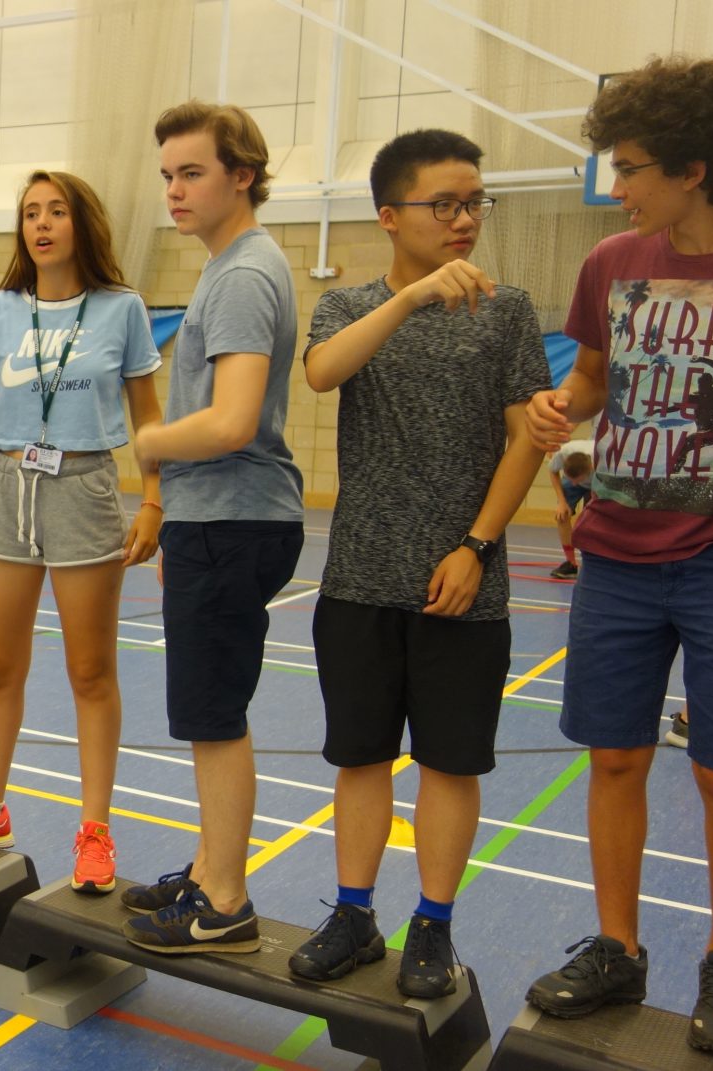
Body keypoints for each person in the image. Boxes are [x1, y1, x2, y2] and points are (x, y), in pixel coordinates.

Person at [521, 56, 713, 1058]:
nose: (617, 185)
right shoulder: (612, 262)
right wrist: (560, 405)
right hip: (617, 554)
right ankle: (617, 948)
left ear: (693, 166)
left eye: (630, 167)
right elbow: (594, 379)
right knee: (615, 755)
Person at [285, 129, 550, 996]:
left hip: (464, 585)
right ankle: (354, 914)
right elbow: (322, 373)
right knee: (360, 757)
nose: (465, 219)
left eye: (475, 202)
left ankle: (433, 924)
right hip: (360, 578)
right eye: (445, 204)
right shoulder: (347, 307)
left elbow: (524, 439)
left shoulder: (507, 311)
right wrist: (410, 299)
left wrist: (477, 546)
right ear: (391, 216)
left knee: (450, 763)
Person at [0, 170, 163, 891]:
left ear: (83, 222)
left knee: (91, 671)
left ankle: (95, 830)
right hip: (4, 488)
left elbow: (148, 416)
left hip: (83, 489)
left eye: (56, 211)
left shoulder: (121, 309)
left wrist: (153, 500)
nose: (42, 224)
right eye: (30, 213)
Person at [120, 101, 306, 950]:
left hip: (233, 517)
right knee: (210, 709)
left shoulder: (240, 276)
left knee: (212, 714)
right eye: (168, 175)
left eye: (192, 172)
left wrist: (151, 441)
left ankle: (225, 900)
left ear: (243, 175)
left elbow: (231, 420)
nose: (175, 189)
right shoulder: (235, 265)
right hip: (219, 516)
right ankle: (207, 868)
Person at [548, 440, 593, 578]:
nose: (574, 484)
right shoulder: (563, 453)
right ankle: (571, 564)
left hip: (599, 481)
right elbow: (553, 471)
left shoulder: (604, 461)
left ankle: (593, 563)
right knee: (562, 515)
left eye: (576, 480)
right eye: (571, 479)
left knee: (593, 521)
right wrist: (562, 502)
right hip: (583, 473)